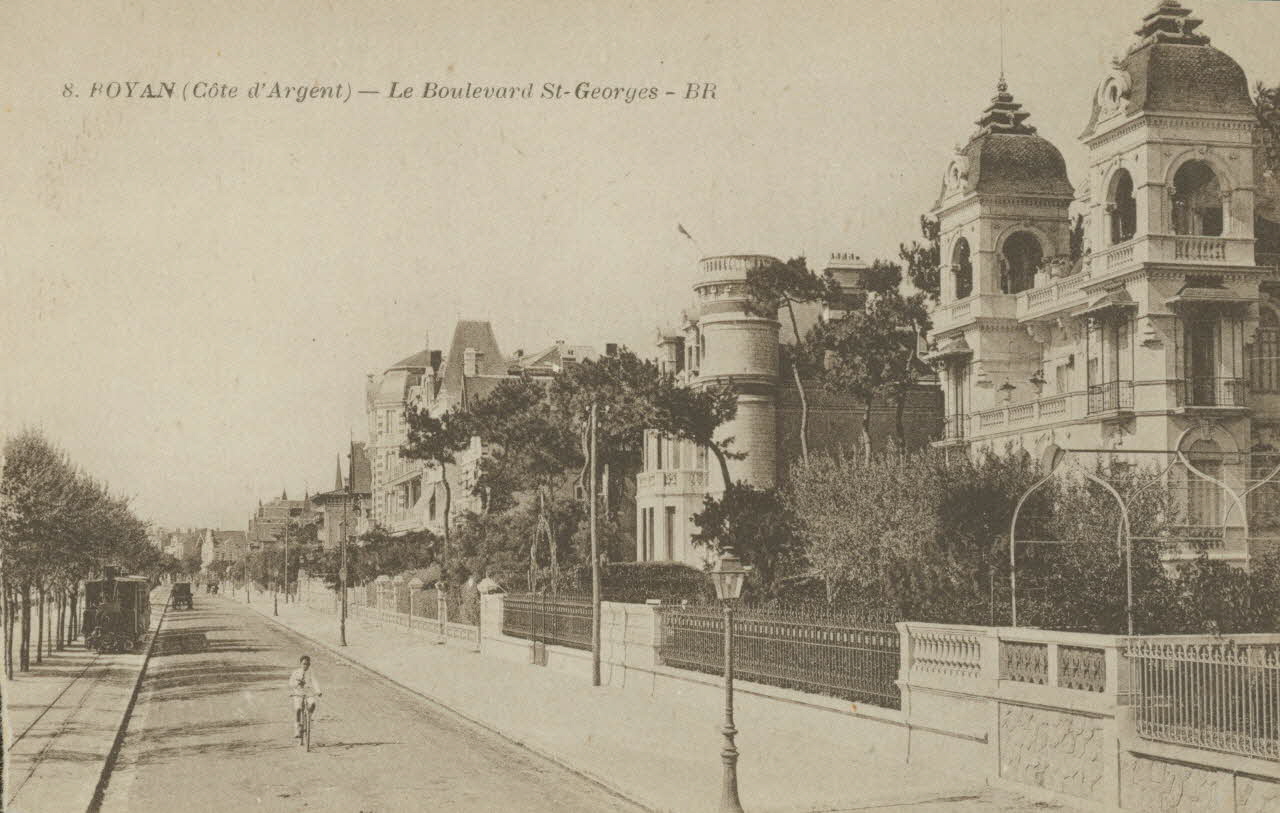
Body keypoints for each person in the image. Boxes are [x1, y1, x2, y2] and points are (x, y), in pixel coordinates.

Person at [288, 655, 322, 738]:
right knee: (298, 709)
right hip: (298, 693)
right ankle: (297, 727)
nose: (305, 666)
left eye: (307, 664)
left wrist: (318, 691)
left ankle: (309, 717)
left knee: (313, 703)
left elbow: (315, 682)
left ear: (309, 664)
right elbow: (291, 683)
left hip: (308, 692)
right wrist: (297, 683)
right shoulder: (295, 672)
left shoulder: (311, 672)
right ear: (300, 664)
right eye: (304, 664)